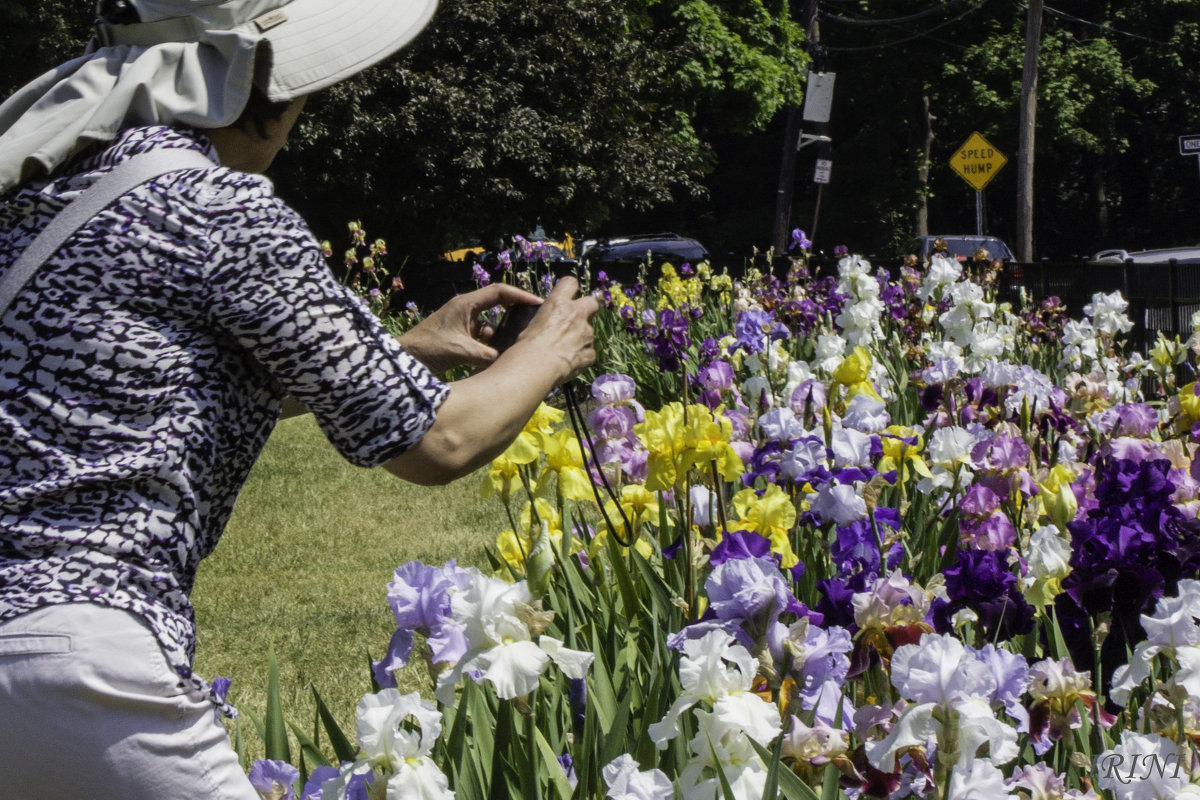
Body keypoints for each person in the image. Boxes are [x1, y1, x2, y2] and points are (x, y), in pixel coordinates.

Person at [0, 1, 598, 797]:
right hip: (81, 658)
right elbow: (441, 442)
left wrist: (401, 349)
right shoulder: (221, 210)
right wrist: (549, 350)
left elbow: (153, 388)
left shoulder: (48, 189)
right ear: (264, 89)